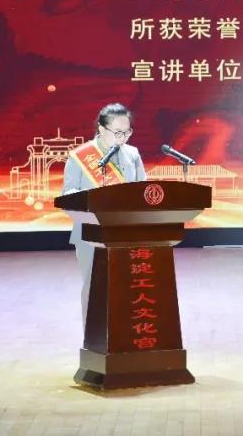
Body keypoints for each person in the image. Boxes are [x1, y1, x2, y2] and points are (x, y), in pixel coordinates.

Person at [62, 103, 146, 328]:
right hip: (91, 232)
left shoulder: (132, 154)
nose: (123, 138)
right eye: (117, 132)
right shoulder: (80, 157)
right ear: (101, 129)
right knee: (94, 285)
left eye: (127, 132)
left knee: (128, 285)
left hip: (126, 232)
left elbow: (142, 190)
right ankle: (94, 335)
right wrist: (94, 202)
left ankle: (125, 333)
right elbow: (67, 195)